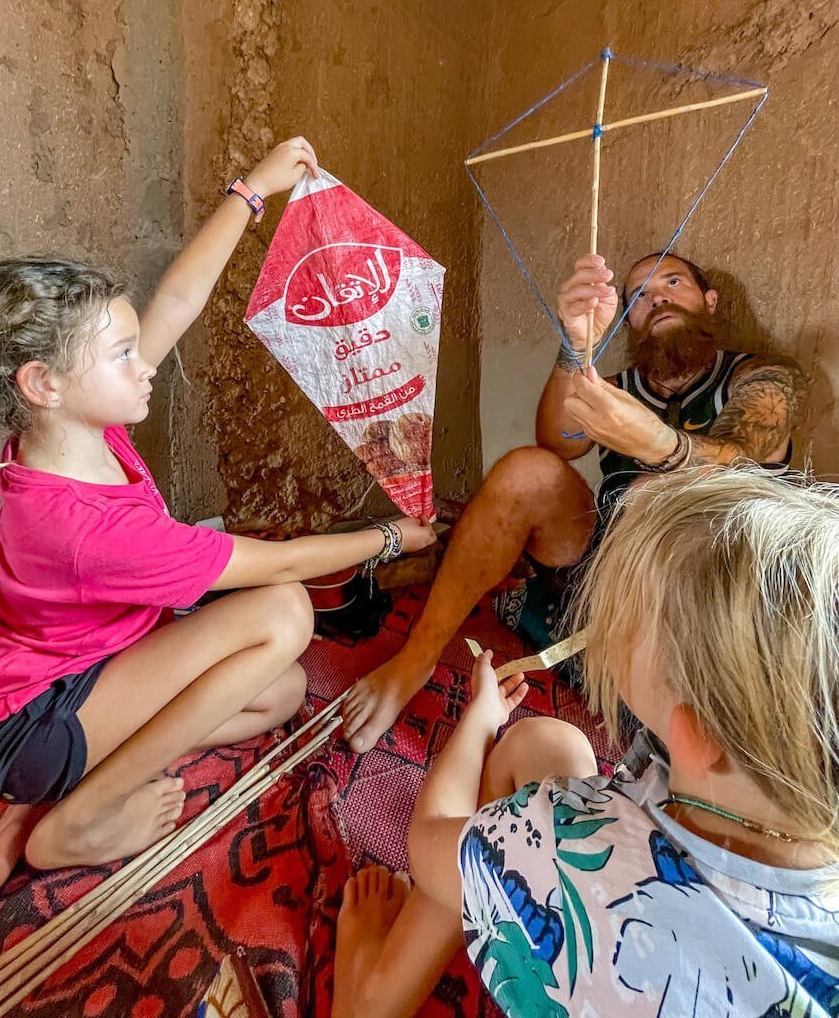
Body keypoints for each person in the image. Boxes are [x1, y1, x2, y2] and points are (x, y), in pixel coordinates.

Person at [0, 136, 435, 909]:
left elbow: (175, 299)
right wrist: (393, 537)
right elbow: (274, 568)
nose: (145, 366)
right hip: (34, 721)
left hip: (85, 684)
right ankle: (76, 817)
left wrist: (253, 191)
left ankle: (56, 794)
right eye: (123, 354)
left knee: (279, 691)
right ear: (43, 382)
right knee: (283, 611)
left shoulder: (76, 430)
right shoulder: (80, 527)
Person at [332, 466, 839, 1018]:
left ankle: (369, 1001)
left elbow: (427, 840)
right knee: (547, 745)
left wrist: (478, 721)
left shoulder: (570, 844)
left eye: (631, 616)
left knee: (481, 851)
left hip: (600, 928)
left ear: (694, 734)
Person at [342, 250, 807, 753]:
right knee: (527, 471)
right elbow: (557, 443)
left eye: (673, 283)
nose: (658, 298)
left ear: (709, 301)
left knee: (652, 497)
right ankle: (416, 659)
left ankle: (640, 682)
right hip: (604, 567)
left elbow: (745, 457)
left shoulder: (758, 377)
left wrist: (660, 446)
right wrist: (574, 345)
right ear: (629, 320)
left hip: (712, 580)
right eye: (641, 296)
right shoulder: (614, 389)